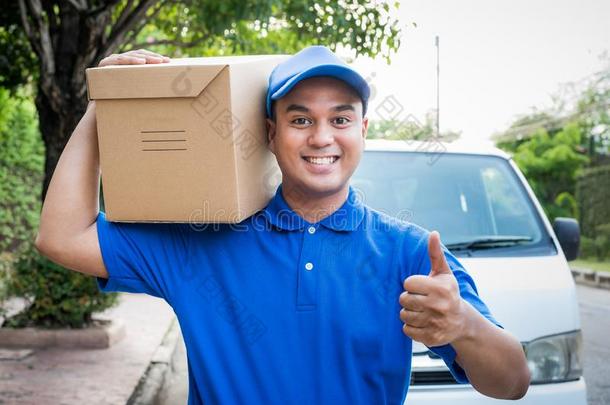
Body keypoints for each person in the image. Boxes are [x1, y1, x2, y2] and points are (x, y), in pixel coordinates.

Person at [35, 46, 530, 404]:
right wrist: (103, 105)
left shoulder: (411, 253)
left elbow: (512, 382)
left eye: (340, 119)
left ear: (363, 129)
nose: (321, 138)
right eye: (299, 120)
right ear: (271, 134)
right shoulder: (201, 239)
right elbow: (62, 236)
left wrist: (464, 325)